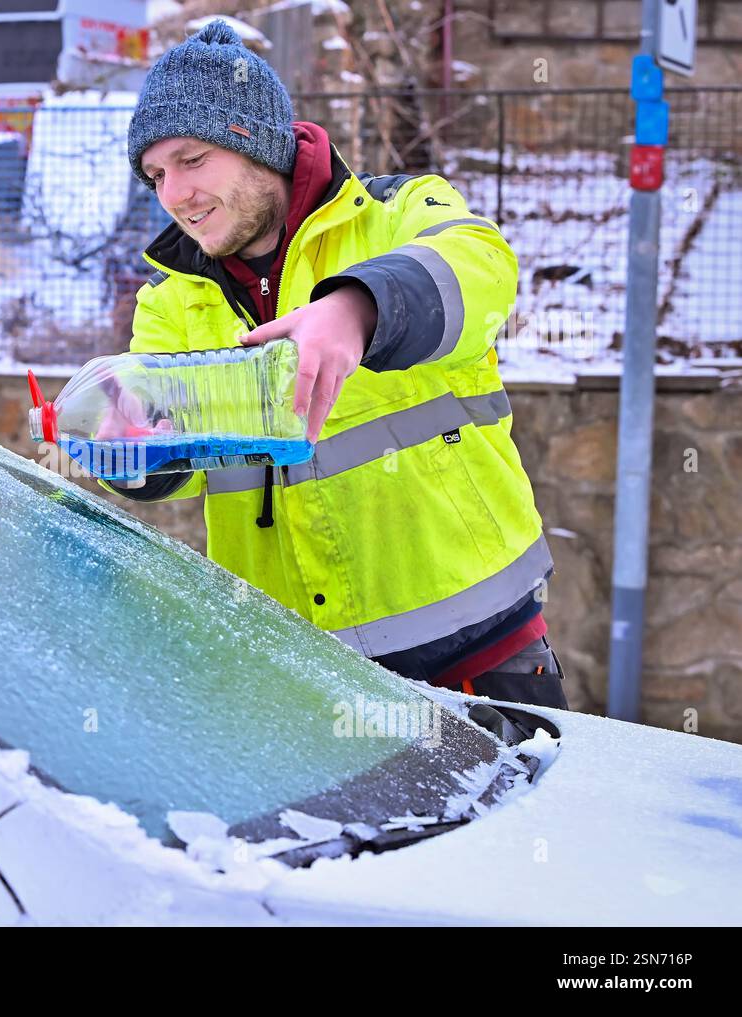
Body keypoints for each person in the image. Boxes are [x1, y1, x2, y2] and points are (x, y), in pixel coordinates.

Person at [100, 20, 568, 710]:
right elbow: (176, 466)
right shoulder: (170, 301)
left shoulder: (395, 214)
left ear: (256, 142)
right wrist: (126, 450)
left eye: (192, 160)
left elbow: (484, 267)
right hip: (299, 676)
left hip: (476, 648)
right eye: (156, 174)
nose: (174, 195)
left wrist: (361, 308)